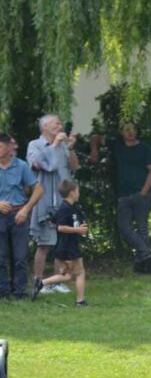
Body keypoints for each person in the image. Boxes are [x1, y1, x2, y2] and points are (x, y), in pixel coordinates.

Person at [88, 122, 151, 273]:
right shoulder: (117, 145)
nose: (130, 132)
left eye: (133, 129)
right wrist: (94, 152)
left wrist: (143, 192)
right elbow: (95, 138)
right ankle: (146, 254)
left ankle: (144, 266)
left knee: (142, 228)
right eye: (126, 130)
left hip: (141, 194)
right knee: (124, 227)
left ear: (137, 131)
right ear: (121, 132)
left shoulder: (145, 149)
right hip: (123, 195)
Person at [27, 114, 79, 293]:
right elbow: (44, 165)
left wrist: (70, 148)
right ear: (46, 127)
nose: (60, 126)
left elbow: (74, 167)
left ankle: (57, 281)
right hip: (46, 200)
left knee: (62, 242)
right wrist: (55, 145)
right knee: (45, 243)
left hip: (64, 201)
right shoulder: (34, 145)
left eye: (60, 123)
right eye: (56, 123)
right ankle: (38, 281)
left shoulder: (63, 145)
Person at [0, 132, 43, 299]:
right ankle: (3, 292)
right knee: (0, 257)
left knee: (20, 256)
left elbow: (38, 189)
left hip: (19, 214)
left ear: (9, 147)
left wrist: (25, 209)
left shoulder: (21, 166)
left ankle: (19, 292)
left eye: (1, 146)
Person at [32, 179, 88, 306]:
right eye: (78, 191)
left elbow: (53, 220)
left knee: (67, 275)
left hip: (66, 245)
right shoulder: (65, 208)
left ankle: (41, 283)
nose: (79, 193)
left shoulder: (71, 208)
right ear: (72, 193)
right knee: (80, 273)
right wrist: (77, 230)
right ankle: (80, 301)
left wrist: (81, 228)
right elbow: (60, 227)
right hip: (68, 247)